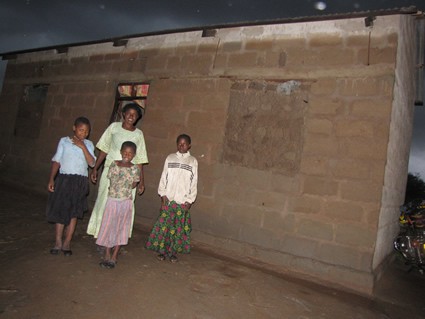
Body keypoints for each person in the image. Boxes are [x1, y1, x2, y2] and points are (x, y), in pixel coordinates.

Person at [87, 103, 148, 239]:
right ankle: (101, 234)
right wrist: (95, 168)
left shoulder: (139, 134)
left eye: (135, 115)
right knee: (105, 201)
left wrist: (141, 182)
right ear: (123, 114)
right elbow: (104, 149)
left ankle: (117, 237)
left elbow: (140, 160)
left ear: (138, 118)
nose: (131, 116)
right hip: (111, 173)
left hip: (129, 177)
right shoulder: (113, 127)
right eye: (129, 113)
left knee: (124, 206)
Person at [46, 116, 96, 256]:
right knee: (61, 211)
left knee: (74, 213)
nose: (83, 134)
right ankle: (57, 242)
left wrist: (83, 146)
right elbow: (57, 161)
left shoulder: (89, 144)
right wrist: (51, 179)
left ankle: (67, 242)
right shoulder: (64, 141)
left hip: (80, 182)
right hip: (64, 179)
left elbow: (92, 163)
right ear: (74, 128)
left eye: (86, 131)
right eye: (81, 130)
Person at [146, 134, 198, 263]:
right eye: (179, 143)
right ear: (176, 144)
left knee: (177, 228)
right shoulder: (170, 158)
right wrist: (163, 197)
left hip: (182, 201)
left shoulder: (192, 161)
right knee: (165, 227)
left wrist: (189, 201)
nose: (181, 146)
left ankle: (173, 252)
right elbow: (164, 177)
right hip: (169, 200)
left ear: (189, 145)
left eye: (184, 144)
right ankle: (162, 251)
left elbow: (194, 182)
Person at [97, 141, 140, 269]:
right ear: (121, 152)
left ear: (134, 155)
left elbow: (134, 184)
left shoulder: (134, 169)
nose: (127, 155)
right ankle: (107, 253)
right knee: (108, 226)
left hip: (125, 202)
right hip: (112, 201)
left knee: (121, 228)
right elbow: (111, 180)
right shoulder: (114, 164)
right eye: (125, 152)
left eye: (130, 153)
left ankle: (114, 255)